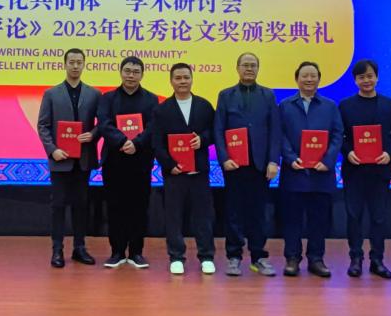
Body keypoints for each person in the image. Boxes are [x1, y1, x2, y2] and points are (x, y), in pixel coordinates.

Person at [214, 52, 281, 277]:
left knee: (258, 213)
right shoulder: (226, 95)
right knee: (233, 212)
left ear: (258, 69)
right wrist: (224, 158)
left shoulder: (268, 95)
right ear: (237, 68)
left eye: (253, 65)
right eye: (245, 65)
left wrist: (273, 160)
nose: (249, 69)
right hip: (234, 164)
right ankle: (233, 257)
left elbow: (275, 130)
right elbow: (218, 129)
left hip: (261, 165)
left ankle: (258, 257)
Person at [339, 59, 391, 279]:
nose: (366, 80)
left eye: (370, 76)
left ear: (377, 78)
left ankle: (377, 260)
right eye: (361, 77)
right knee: (354, 216)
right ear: (355, 80)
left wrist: (389, 153)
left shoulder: (389, 104)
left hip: (380, 169)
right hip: (354, 170)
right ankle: (355, 259)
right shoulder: (345, 105)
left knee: (378, 217)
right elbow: (339, 135)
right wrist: (348, 152)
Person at [279, 61, 344, 277]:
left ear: (319, 79)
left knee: (319, 219)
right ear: (296, 79)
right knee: (292, 219)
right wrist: (290, 158)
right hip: (294, 172)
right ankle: (292, 258)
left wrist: (328, 160)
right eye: (304, 76)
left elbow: (337, 135)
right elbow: (280, 135)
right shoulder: (285, 105)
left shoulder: (330, 106)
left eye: (313, 76)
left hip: (321, 173)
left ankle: (316, 259)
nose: (309, 79)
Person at [36, 48, 100, 268]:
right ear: (64, 64)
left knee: (81, 205)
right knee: (58, 205)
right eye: (71, 62)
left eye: (79, 62)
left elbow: (103, 124)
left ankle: (79, 248)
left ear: (84, 65)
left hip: (83, 159)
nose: (75, 66)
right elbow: (43, 125)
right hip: (60, 160)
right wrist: (52, 149)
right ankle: (57, 249)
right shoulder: (51, 94)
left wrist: (93, 134)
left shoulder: (94, 94)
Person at [151, 63, 216, 275]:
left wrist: (203, 140)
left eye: (186, 77)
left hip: (199, 173)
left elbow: (215, 132)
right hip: (174, 174)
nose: (182, 81)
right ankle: (176, 256)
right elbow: (156, 142)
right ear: (171, 81)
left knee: (203, 216)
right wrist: (169, 165)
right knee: (174, 216)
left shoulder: (204, 106)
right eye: (178, 78)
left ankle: (206, 256)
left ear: (192, 79)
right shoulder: (162, 110)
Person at [97, 56, 159, 269]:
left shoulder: (151, 99)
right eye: (127, 71)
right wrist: (123, 141)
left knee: (139, 207)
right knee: (115, 207)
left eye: (135, 72)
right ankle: (116, 251)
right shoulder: (108, 98)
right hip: (114, 161)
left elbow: (153, 127)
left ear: (142, 75)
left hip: (140, 161)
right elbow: (104, 124)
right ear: (121, 72)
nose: (131, 75)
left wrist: (136, 143)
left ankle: (136, 252)